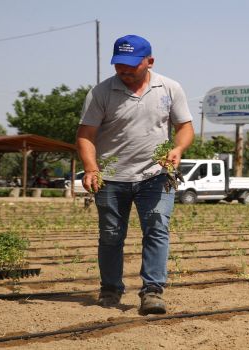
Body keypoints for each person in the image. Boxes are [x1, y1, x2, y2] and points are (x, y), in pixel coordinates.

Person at [76, 34, 194, 314]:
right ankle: (110, 288)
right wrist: (91, 168)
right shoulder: (101, 93)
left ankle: (152, 291)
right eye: (119, 65)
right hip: (112, 175)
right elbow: (85, 135)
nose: (124, 71)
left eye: (131, 65)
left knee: (156, 228)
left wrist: (178, 148)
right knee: (111, 234)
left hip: (156, 174)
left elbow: (185, 127)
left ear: (149, 61)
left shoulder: (170, 88)